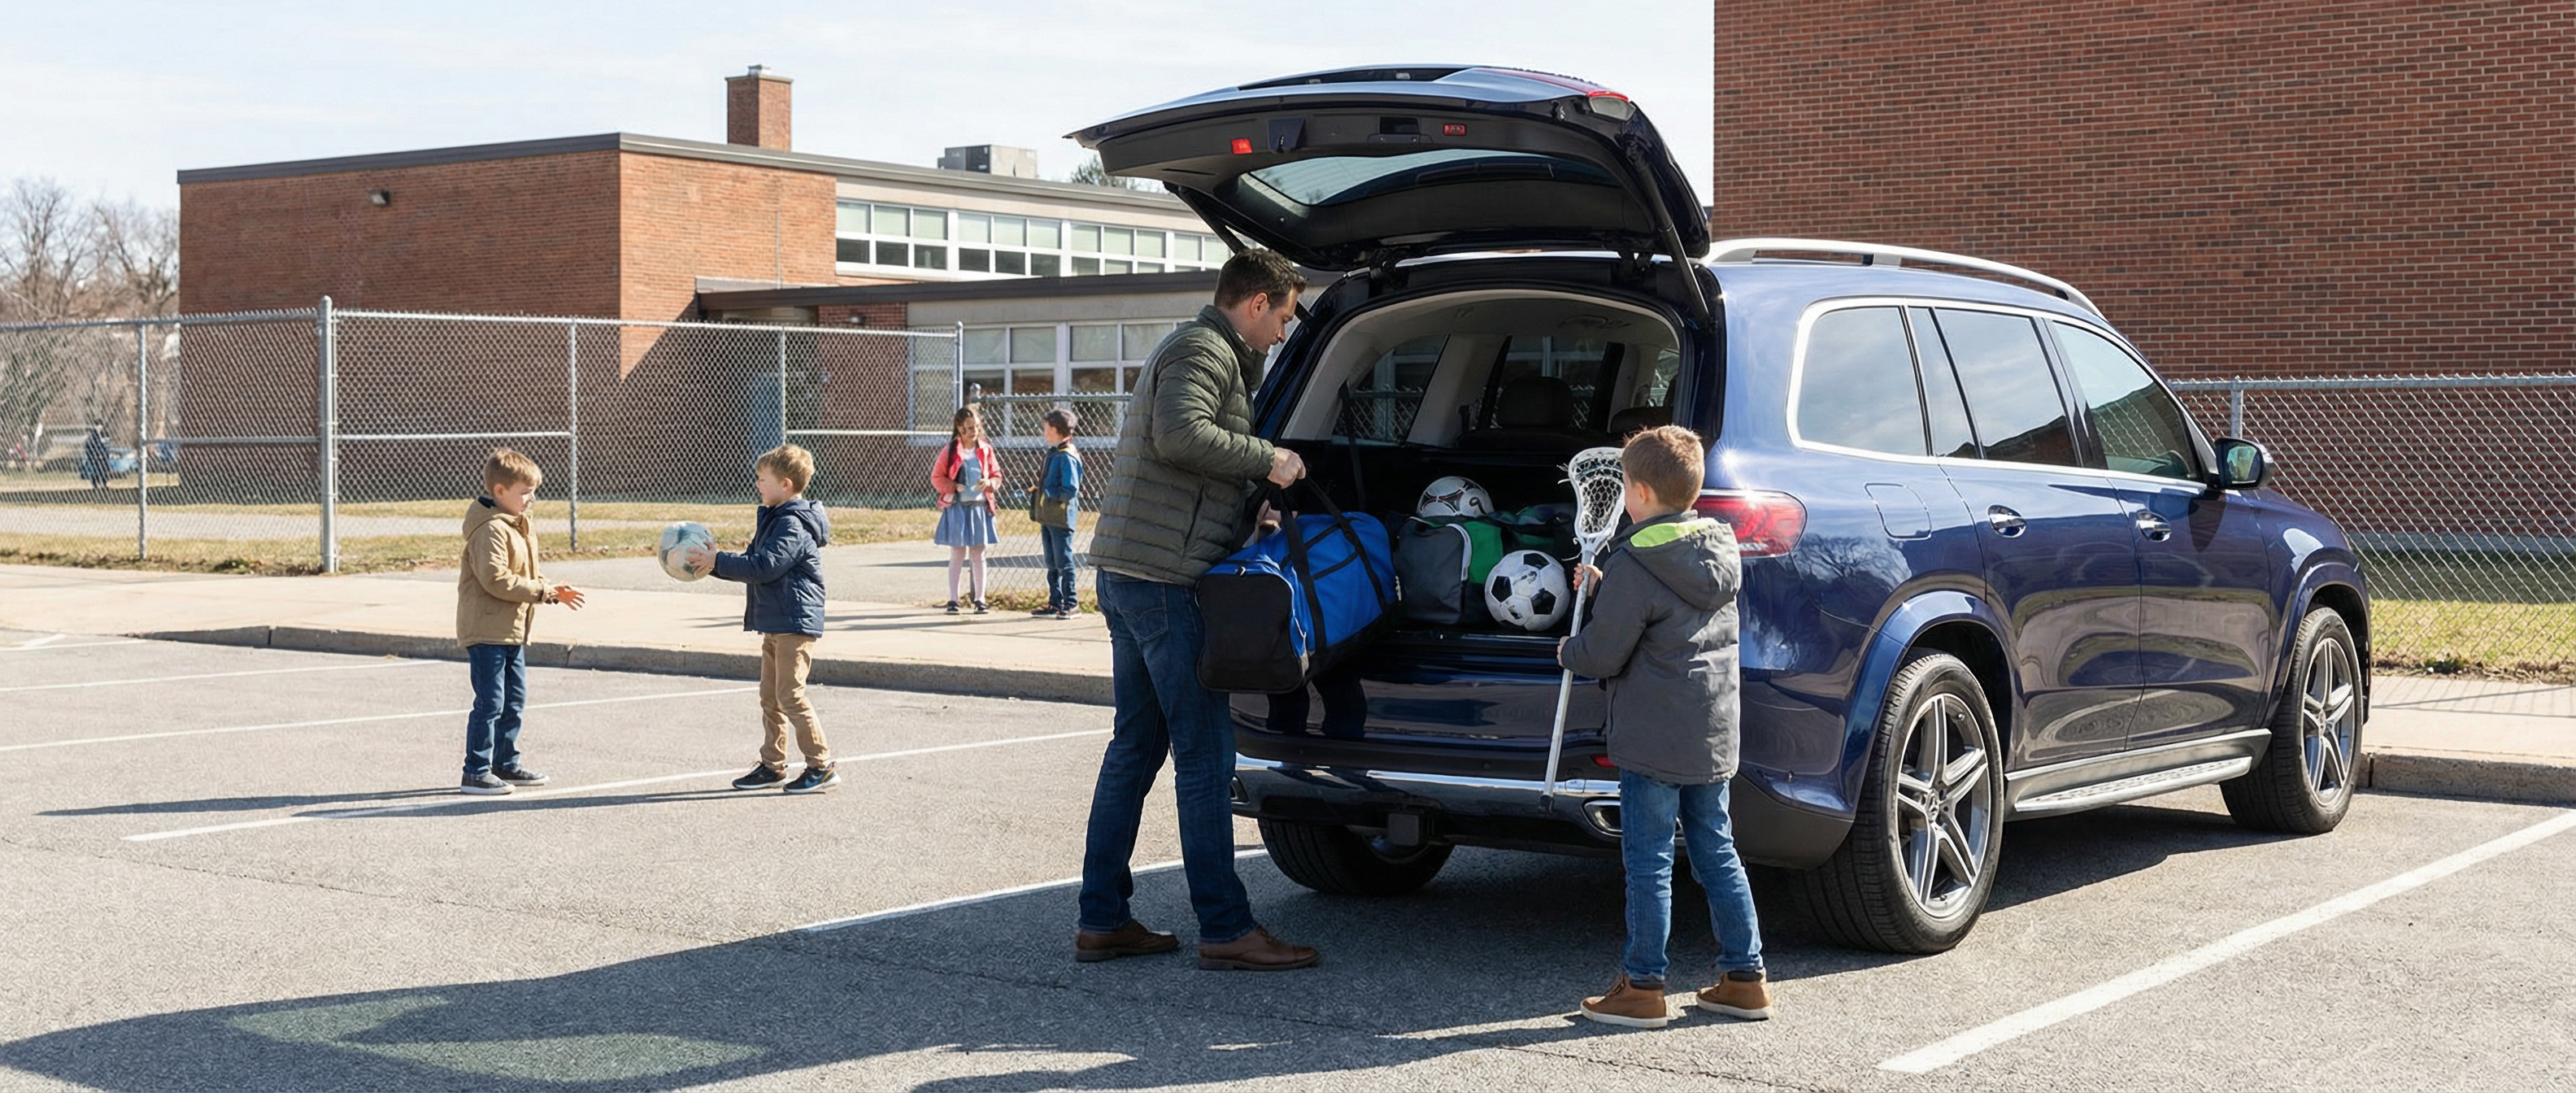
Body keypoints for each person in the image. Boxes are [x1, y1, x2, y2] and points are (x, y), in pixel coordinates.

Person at [1074, 249, 1317, 971]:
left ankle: (1102, 919)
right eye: (1283, 315)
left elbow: (1184, 469)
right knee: (1206, 758)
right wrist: (1267, 458)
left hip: (1135, 574)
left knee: (1136, 750)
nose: (1283, 331)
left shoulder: (1209, 351)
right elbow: (1180, 434)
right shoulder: (1202, 348)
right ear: (1255, 303)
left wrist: (1253, 521)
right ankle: (1226, 927)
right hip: (1162, 584)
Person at [1556, 424, 1770, 1027]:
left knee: (1648, 860)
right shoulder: (1715, 550)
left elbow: (1604, 652)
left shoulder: (1636, 559)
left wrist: (1570, 650)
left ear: (1640, 492)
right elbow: (1670, 613)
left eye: (1625, 485)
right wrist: (1605, 587)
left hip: (1651, 738)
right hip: (1712, 732)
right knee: (1717, 851)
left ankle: (1643, 985)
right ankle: (1744, 976)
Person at [685, 444, 839, 795]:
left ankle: (821, 764)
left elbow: (766, 566)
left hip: (794, 622)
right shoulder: (774, 517)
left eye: (762, 479)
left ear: (785, 484)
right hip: (776, 620)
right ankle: (773, 764)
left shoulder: (792, 524)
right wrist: (713, 565)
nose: (758, 485)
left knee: (790, 694)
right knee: (770, 696)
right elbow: (753, 565)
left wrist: (719, 559)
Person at [455, 448, 586, 795]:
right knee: (490, 703)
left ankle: (505, 763)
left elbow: (528, 573)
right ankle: (476, 770)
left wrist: (552, 589)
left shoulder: (518, 527)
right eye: (524, 492)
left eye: (532, 492)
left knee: (514, 701)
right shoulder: (491, 531)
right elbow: (496, 579)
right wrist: (543, 592)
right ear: (500, 492)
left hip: (511, 630)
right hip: (486, 631)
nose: (531, 500)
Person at [932, 406, 1002, 615]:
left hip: (979, 508)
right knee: (958, 552)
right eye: (970, 428)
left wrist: (989, 482)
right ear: (959, 427)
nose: (974, 431)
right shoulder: (951, 451)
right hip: (958, 508)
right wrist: (952, 486)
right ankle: (953, 599)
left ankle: (980, 599)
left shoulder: (986, 449)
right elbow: (937, 477)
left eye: (977, 427)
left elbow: (997, 476)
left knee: (979, 553)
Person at [1032, 407, 1083, 620]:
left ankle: (1071, 603)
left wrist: (1049, 492)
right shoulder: (1053, 453)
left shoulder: (1067, 456)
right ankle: (1055, 602)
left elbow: (1070, 489)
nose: (1044, 434)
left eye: (1047, 429)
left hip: (1061, 519)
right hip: (1049, 517)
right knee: (1052, 563)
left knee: (1064, 562)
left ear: (1056, 429)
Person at [80, 425, 109, 492]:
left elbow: (102, 449)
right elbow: (88, 450)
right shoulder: (91, 441)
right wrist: (93, 456)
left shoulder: (98, 441)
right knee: (96, 472)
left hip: (98, 459)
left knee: (100, 472)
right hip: (94, 459)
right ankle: (97, 485)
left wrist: (101, 455)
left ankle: (101, 485)